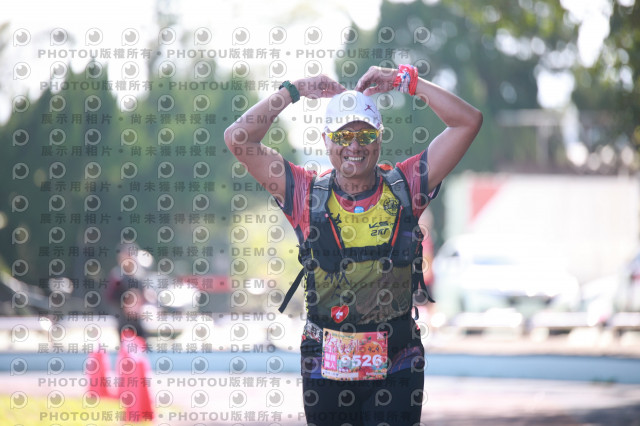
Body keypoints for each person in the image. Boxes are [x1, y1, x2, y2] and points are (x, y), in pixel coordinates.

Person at [224, 65, 482, 425]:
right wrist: (294, 90)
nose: (355, 146)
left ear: (380, 138)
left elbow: (468, 122)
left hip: (397, 364)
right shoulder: (304, 193)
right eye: (343, 136)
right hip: (325, 366)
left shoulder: (406, 186)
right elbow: (238, 138)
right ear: (327, 140)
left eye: (365, 135)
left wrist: (405, 80)